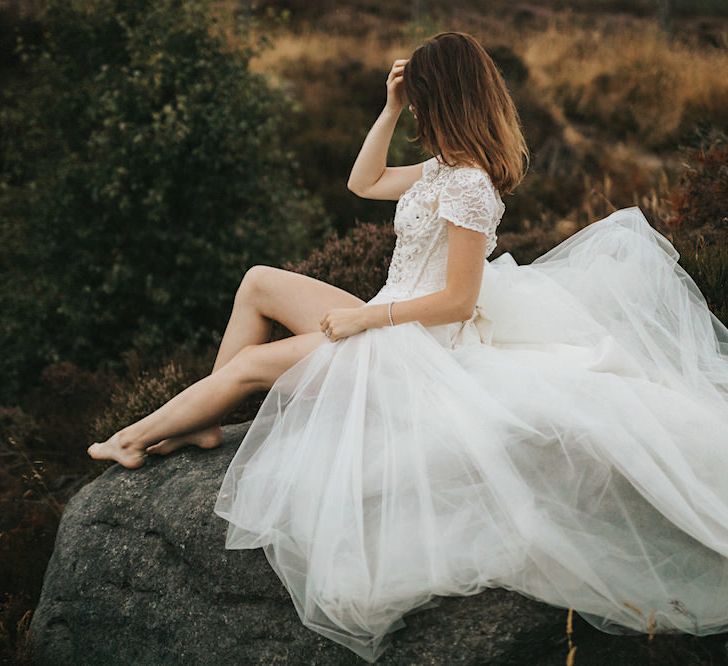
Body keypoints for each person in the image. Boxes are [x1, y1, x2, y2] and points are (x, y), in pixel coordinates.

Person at [88, 32, 728, 664]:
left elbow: (456, 300)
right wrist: (387, 108)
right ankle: (203, 426)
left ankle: (133, 437)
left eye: (420, 98)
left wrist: (368, 322)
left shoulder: (471, 185)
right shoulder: (440, 169)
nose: (416, 109)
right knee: (259, 282)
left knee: (257, 365)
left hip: (413, 345)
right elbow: (363, 183)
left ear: (445, 98)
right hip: (383, 318)